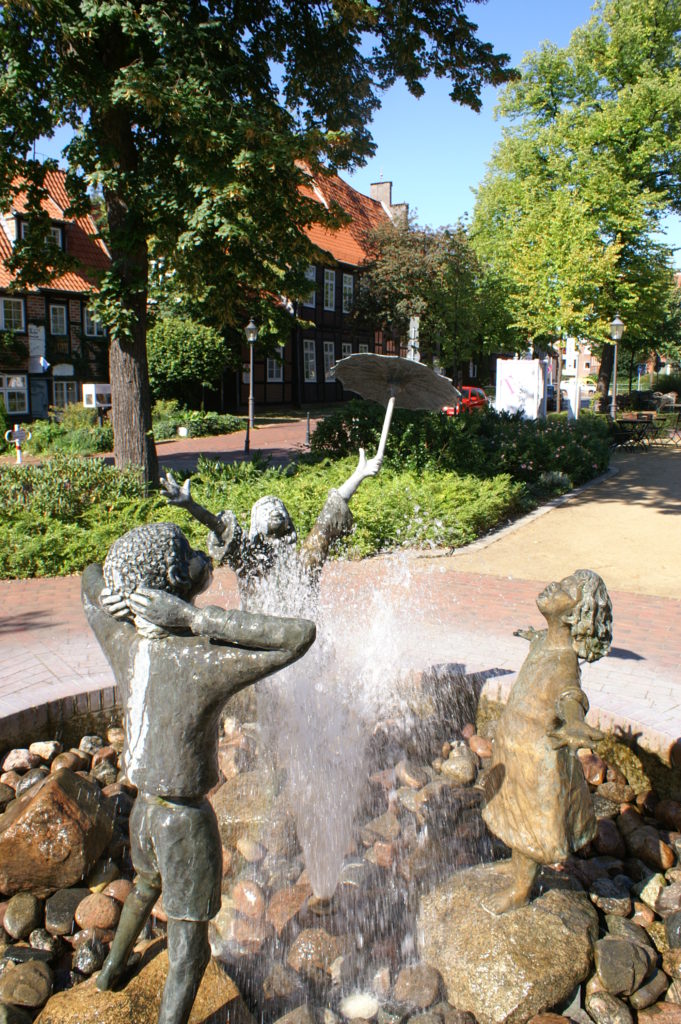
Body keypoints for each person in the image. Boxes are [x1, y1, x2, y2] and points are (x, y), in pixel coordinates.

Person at [82, 522, 316, 1024]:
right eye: (187, 555)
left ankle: (109, 975)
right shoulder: (198, 659)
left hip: (143, 810)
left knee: (144, 887)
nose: (198, 558)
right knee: (190, 951)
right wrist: (193, 616)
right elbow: (298, 637)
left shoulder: (124, 643)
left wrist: (112, 599)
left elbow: (87, 582)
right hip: (184, 824)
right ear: (169, 581)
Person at [480, 569, 612, 915]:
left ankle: (521, 889)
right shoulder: (546, 642)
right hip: (516, 748)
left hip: (538, 758)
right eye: (564, 580)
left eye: (567, 589)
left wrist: (574, 722)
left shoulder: (565, 660)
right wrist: (533, 636)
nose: (556, 584)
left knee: (531, 825)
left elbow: (571, 694)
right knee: (513, 810)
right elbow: (542, 643)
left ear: (571, 615)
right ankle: (515, 867)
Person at [161, 445, 382, 611]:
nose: (275, 509)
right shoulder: (249, 563)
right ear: (257, 525)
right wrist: (191, 505)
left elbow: (327, 519)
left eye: (279, 506)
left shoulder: (304, 562)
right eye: (267, 507)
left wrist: (358, 475)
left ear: (289, 522)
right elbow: (221, 528)